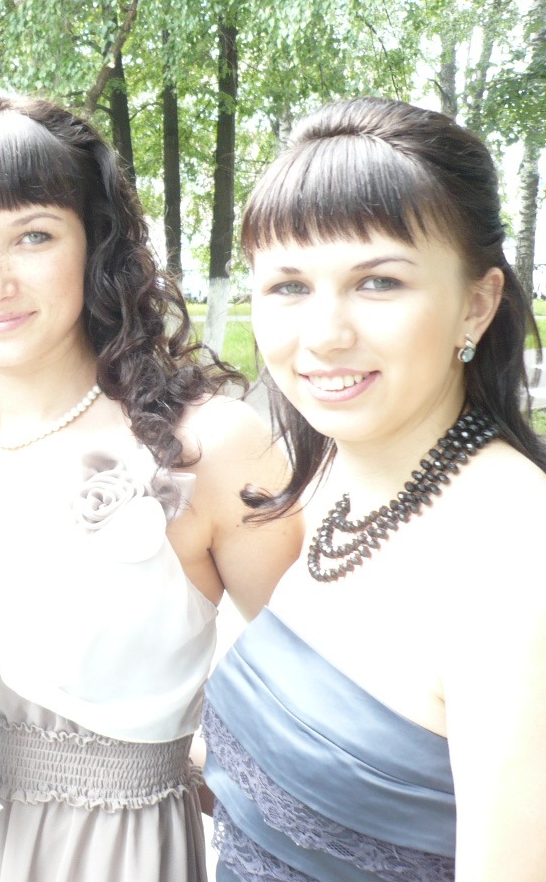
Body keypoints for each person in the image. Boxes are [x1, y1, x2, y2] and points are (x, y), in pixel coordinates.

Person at [0, 92, 302, 882]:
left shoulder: (206, 449)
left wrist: (207, 775)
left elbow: (322, 696)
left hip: (114, 856)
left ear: (96, 243)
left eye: (33, 236)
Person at [202, 97, 546, 881]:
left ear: (477, 303)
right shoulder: (331, 481)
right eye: (289, 286)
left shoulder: (517, 556)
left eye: (379, 282)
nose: (325, 335)